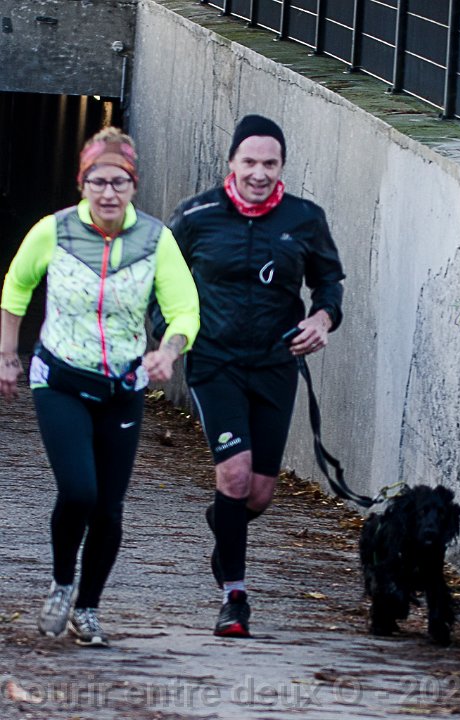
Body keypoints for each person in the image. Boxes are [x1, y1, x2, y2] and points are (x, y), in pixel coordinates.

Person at [0, 127, 200, 646]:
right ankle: (61, 584)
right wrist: (7, 355)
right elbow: (17, 286)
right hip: (61, 379)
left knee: (109, 507)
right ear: (82, 183)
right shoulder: (54, 231)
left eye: (119, 182)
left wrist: (168, 351)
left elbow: (184, 309)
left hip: (123, 387)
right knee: (79, 491)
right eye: (98, 182)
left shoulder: (155, 239)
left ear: (134, 185)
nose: (108, 193)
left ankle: (87, 608)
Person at [168, 114, 345, 637]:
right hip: (215, 362)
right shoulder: (197, 216)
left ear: (282, 165)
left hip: (275, 365)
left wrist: (321, 319)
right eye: (250, 162)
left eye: (270, 163)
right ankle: (234, 599)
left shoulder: (305, 218)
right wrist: (170, 335)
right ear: (232, 162)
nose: (259, 173)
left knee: (259, 495)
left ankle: (225, 526)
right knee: (235, 475)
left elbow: (329, 281)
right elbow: (161, 278)